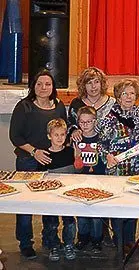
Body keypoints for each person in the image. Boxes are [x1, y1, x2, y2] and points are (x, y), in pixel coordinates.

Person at [9, 70, 68, 260]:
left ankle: (50, 239)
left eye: (48, 84)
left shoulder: (59, 106)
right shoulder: (24, 106)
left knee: (51, 202)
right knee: (26, 205)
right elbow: (15, 137)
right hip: (29, 160)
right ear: (33, 86)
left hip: (52, 161)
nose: (43, 88)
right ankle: (25, 243)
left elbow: (63, 129)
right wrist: (35, 151)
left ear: (53, 87)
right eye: (39, 84)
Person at [97, 79, 139, 254]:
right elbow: (100, 144)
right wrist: (107, 156)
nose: (128, 96)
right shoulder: (109, 117)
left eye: (132, 93)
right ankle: (119, 241)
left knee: (133, 204)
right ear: (117, 97)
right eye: (124, 93)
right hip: (117, 169)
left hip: (136, 168)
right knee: (118, 206)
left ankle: (130, 240)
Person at [39, 119, 80, 261]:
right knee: (51, 223)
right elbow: (41, 178)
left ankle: (69, 244)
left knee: (69, 222)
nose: (59, 138)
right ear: (49, 136)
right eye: (56, 135)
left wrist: (79, 155)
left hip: (68, 195)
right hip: (50, 196)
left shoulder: (70, 151)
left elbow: (77, 170)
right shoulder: (44, 155)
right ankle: (54, 246)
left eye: (62, 134)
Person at [74, 106, 107, 254]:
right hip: (82, 179)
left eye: (89, 121)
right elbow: (77, 166)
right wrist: (78, 155)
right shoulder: (76, 139)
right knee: (81, 213)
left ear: (95, 121)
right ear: (78, 122)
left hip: (100, 178)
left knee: (97, 214)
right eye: (82, 122)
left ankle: (97, 240)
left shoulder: (101, 138)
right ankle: (82, 238)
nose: (85, 125)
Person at [68, 67, 116, 142]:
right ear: (83, 86)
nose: (93, 86)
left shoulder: (112, 103)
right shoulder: (76, 103)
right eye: (89, 83)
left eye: (96, 82)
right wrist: (74, 131)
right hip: (81, 146)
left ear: (102, 83)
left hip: (107, 146)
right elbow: (69, 123)